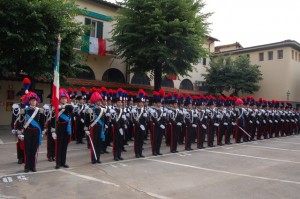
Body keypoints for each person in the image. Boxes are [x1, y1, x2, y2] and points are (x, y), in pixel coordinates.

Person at [18, 91, 44, 172]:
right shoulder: (25, 110)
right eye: (32, 100)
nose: (33, 102)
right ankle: (27, 166)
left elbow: (42, 122)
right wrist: (20, 132)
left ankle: (33, 166)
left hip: (36, 132)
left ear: (36, 102)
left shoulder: (40, 110)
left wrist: (42, 132)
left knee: (34, 149)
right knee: (27, 149)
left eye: (35, 100)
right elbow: (21, 122)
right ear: (29, 101)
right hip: (28, 131)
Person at [51, 88, 73, 169]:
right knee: (59, 146)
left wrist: (63, 106)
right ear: (59, 99)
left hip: (67, 127)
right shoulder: (56, 108)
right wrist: (53, 130)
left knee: (65, 146)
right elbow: (52, 119)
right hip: (59, 127)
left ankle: (63, 162)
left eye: (65, 98)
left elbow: (71, 108)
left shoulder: (68, 106)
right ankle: (58, 163)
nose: (64, 100)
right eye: (62, 98)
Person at [84, 92, 105, 164]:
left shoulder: (103, 109)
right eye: (98, 101)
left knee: (99, 144)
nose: (99, 102)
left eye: (100, 100)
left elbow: (103, 120)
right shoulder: (90, 110)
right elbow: (87, 120)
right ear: (95, 101)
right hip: (93, 128)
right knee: (94, 144)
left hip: (100, 128)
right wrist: (86, 128)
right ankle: (93, 158)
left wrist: (104, 128)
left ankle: (98, 158)